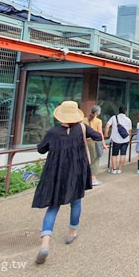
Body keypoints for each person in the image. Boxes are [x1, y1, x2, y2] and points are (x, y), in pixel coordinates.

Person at [32, 101, 102, 264]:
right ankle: (72, 232)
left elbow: (41, 149)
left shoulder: (54, 132)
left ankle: (45, 243)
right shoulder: (81, 129)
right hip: (76, 171)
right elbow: (98, 136)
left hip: (56, 172)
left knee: (53, 206)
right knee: (76, 202)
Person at [83, 105, 106, 186]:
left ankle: (86, 177)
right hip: (94, 142)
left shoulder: (84, 120)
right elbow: (100, 133)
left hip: (85, 142)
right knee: (95, 160)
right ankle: (93, 179)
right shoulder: (98, 121)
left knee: (86, 159)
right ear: (97, 113)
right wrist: (104, 144)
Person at [105, 107, 132, 174]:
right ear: (125, 112)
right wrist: (129, 139)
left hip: (116, 139)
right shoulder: (128, 119)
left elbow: (107, 125)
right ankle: (120, 169)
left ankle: (114, 169)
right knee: (123, 154)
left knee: (114, 154)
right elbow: (129, 131)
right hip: (125, 139)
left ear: (119, 111)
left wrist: (106, 134)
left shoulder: (114, 117)